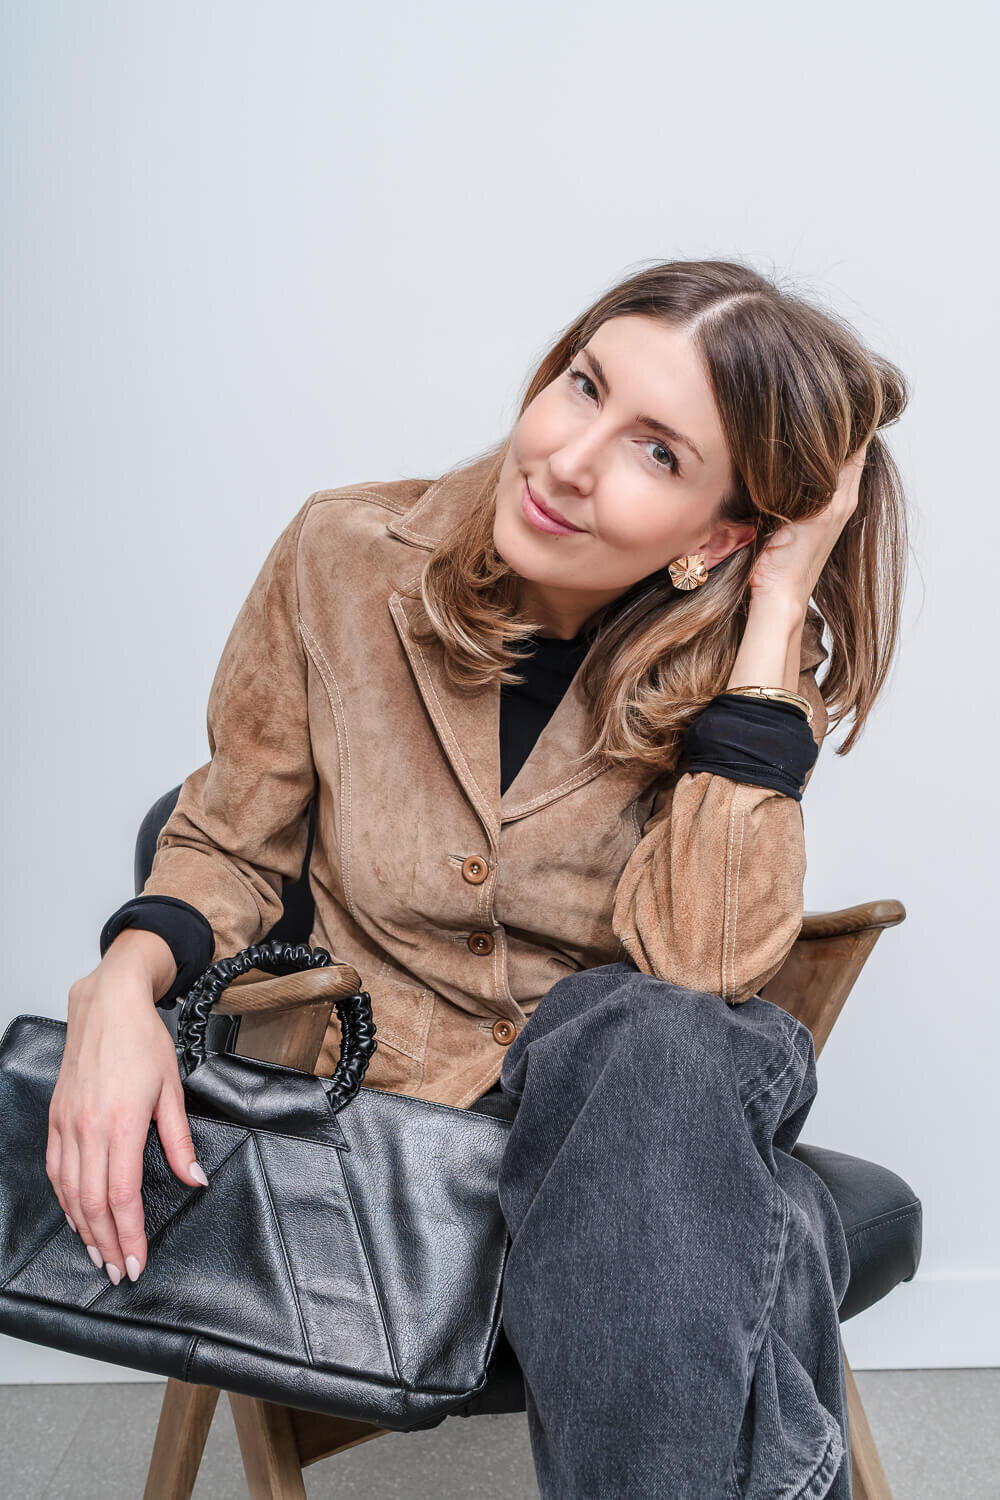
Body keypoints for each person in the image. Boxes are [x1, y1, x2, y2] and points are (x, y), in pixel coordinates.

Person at [46, 258, 908, 1498]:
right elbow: (229, 838)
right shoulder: (343, 557)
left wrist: (775, 607)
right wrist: (122, 987)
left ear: (723, 533)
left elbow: (705, 970)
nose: (565, 458)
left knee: (646, 1033)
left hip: (638, 1125)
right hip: (412, 1119)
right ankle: (775, 1250)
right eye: (580, 387)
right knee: (753, 1219)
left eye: (657, 453)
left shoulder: (752, 680)